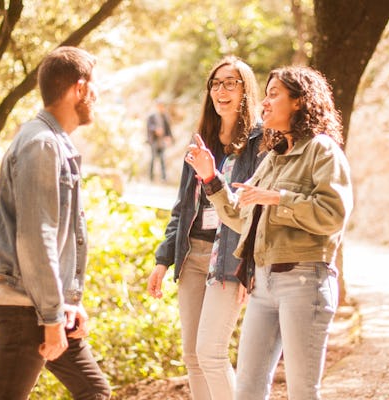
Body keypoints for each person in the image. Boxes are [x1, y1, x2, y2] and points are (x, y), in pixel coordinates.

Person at [185, 65, 353, 400]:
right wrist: (210, 178)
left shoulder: (322, 150)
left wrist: (278, 198)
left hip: (305, 281)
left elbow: (333, 214)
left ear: (299, 102)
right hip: (263, 286)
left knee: (302, 391)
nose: (265, 102)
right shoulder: (275, 157)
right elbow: (239, 214)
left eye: (274, 94)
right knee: (247, 389)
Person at [0, 46, 110, 400]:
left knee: (95, 392)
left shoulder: (54, 143)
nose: (97, 96)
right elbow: (37, 238)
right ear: (79, 89)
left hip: (42, 303)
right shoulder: (41, 144)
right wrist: (52, 318)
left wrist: (67, 302)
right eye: (94, 87)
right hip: (26, 307)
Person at [146, 56, 263, 400]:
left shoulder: (259, 144)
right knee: (193, 357)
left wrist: (250, 266)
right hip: (192, 255)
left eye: (230, 83)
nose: (221, 90)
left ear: (246, 90)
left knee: (211, 353)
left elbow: (256, 214)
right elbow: (182, 207)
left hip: (229, 258)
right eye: (215, 83)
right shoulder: (202, 141)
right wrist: (163, 259)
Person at [146, 99, 174, 182]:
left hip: (162, 142)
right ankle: (151, 177)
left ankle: (164, 177)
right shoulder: (151, 116)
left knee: (162, 159)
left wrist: (169, 137)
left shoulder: (164, 116)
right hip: (154, 141)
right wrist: (155, 130)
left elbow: (168, 128)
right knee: (153, 159)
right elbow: (149, 127)